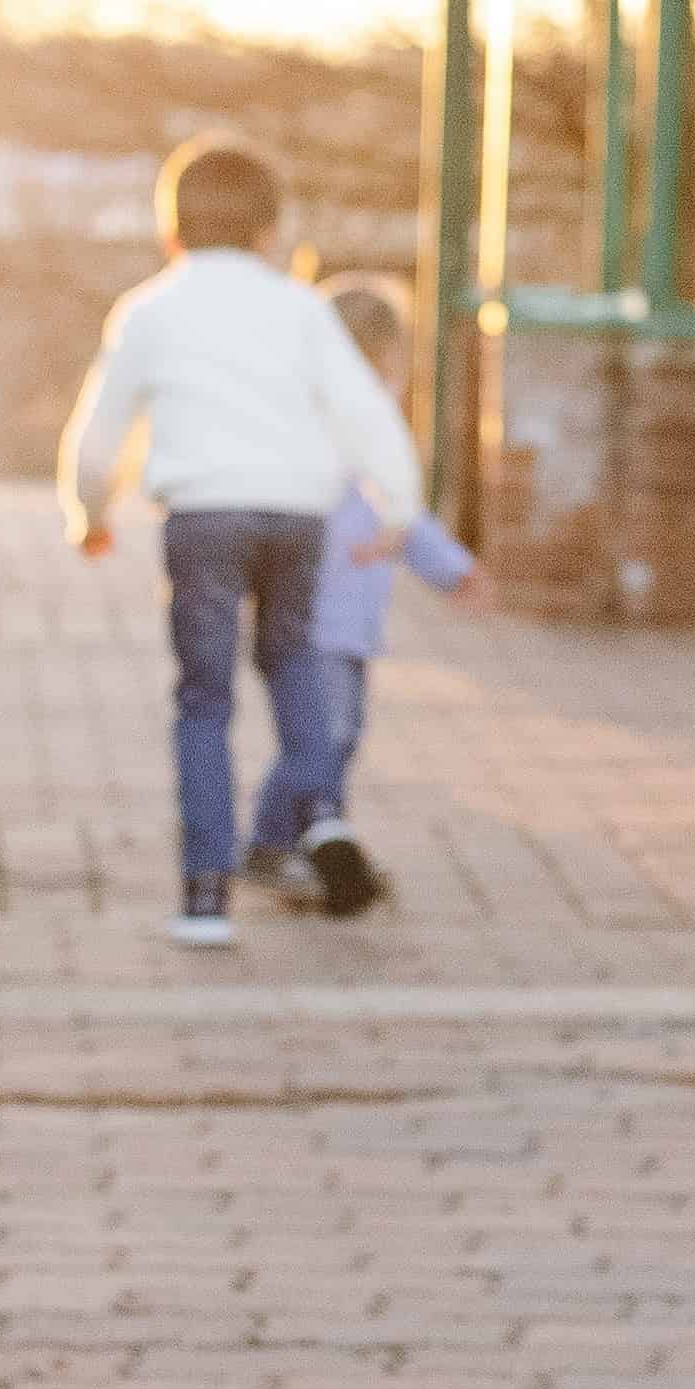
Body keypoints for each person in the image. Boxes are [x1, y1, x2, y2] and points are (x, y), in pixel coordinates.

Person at [58, 142, 430, 949]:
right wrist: (398, 505)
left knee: (204, 700)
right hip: (296, 518)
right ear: (272, 232)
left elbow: (99, 433)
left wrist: (89, 511)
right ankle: (316, 806)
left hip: (202, 521)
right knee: (292, 661)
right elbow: (364, 412)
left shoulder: (150, 310)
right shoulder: (300, 310)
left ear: (171, 233)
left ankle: (203, 897)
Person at [244, 272, 480, 919]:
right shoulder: (341, 435)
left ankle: (321, 847)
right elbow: (401, 519)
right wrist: (450, 568)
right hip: (316, 620)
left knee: (333, 741)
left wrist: (449, 568)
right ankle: (270, 842)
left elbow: (401, 521)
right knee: (323, 741)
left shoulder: (325, 433)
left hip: (340, 623)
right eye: (392, 369)